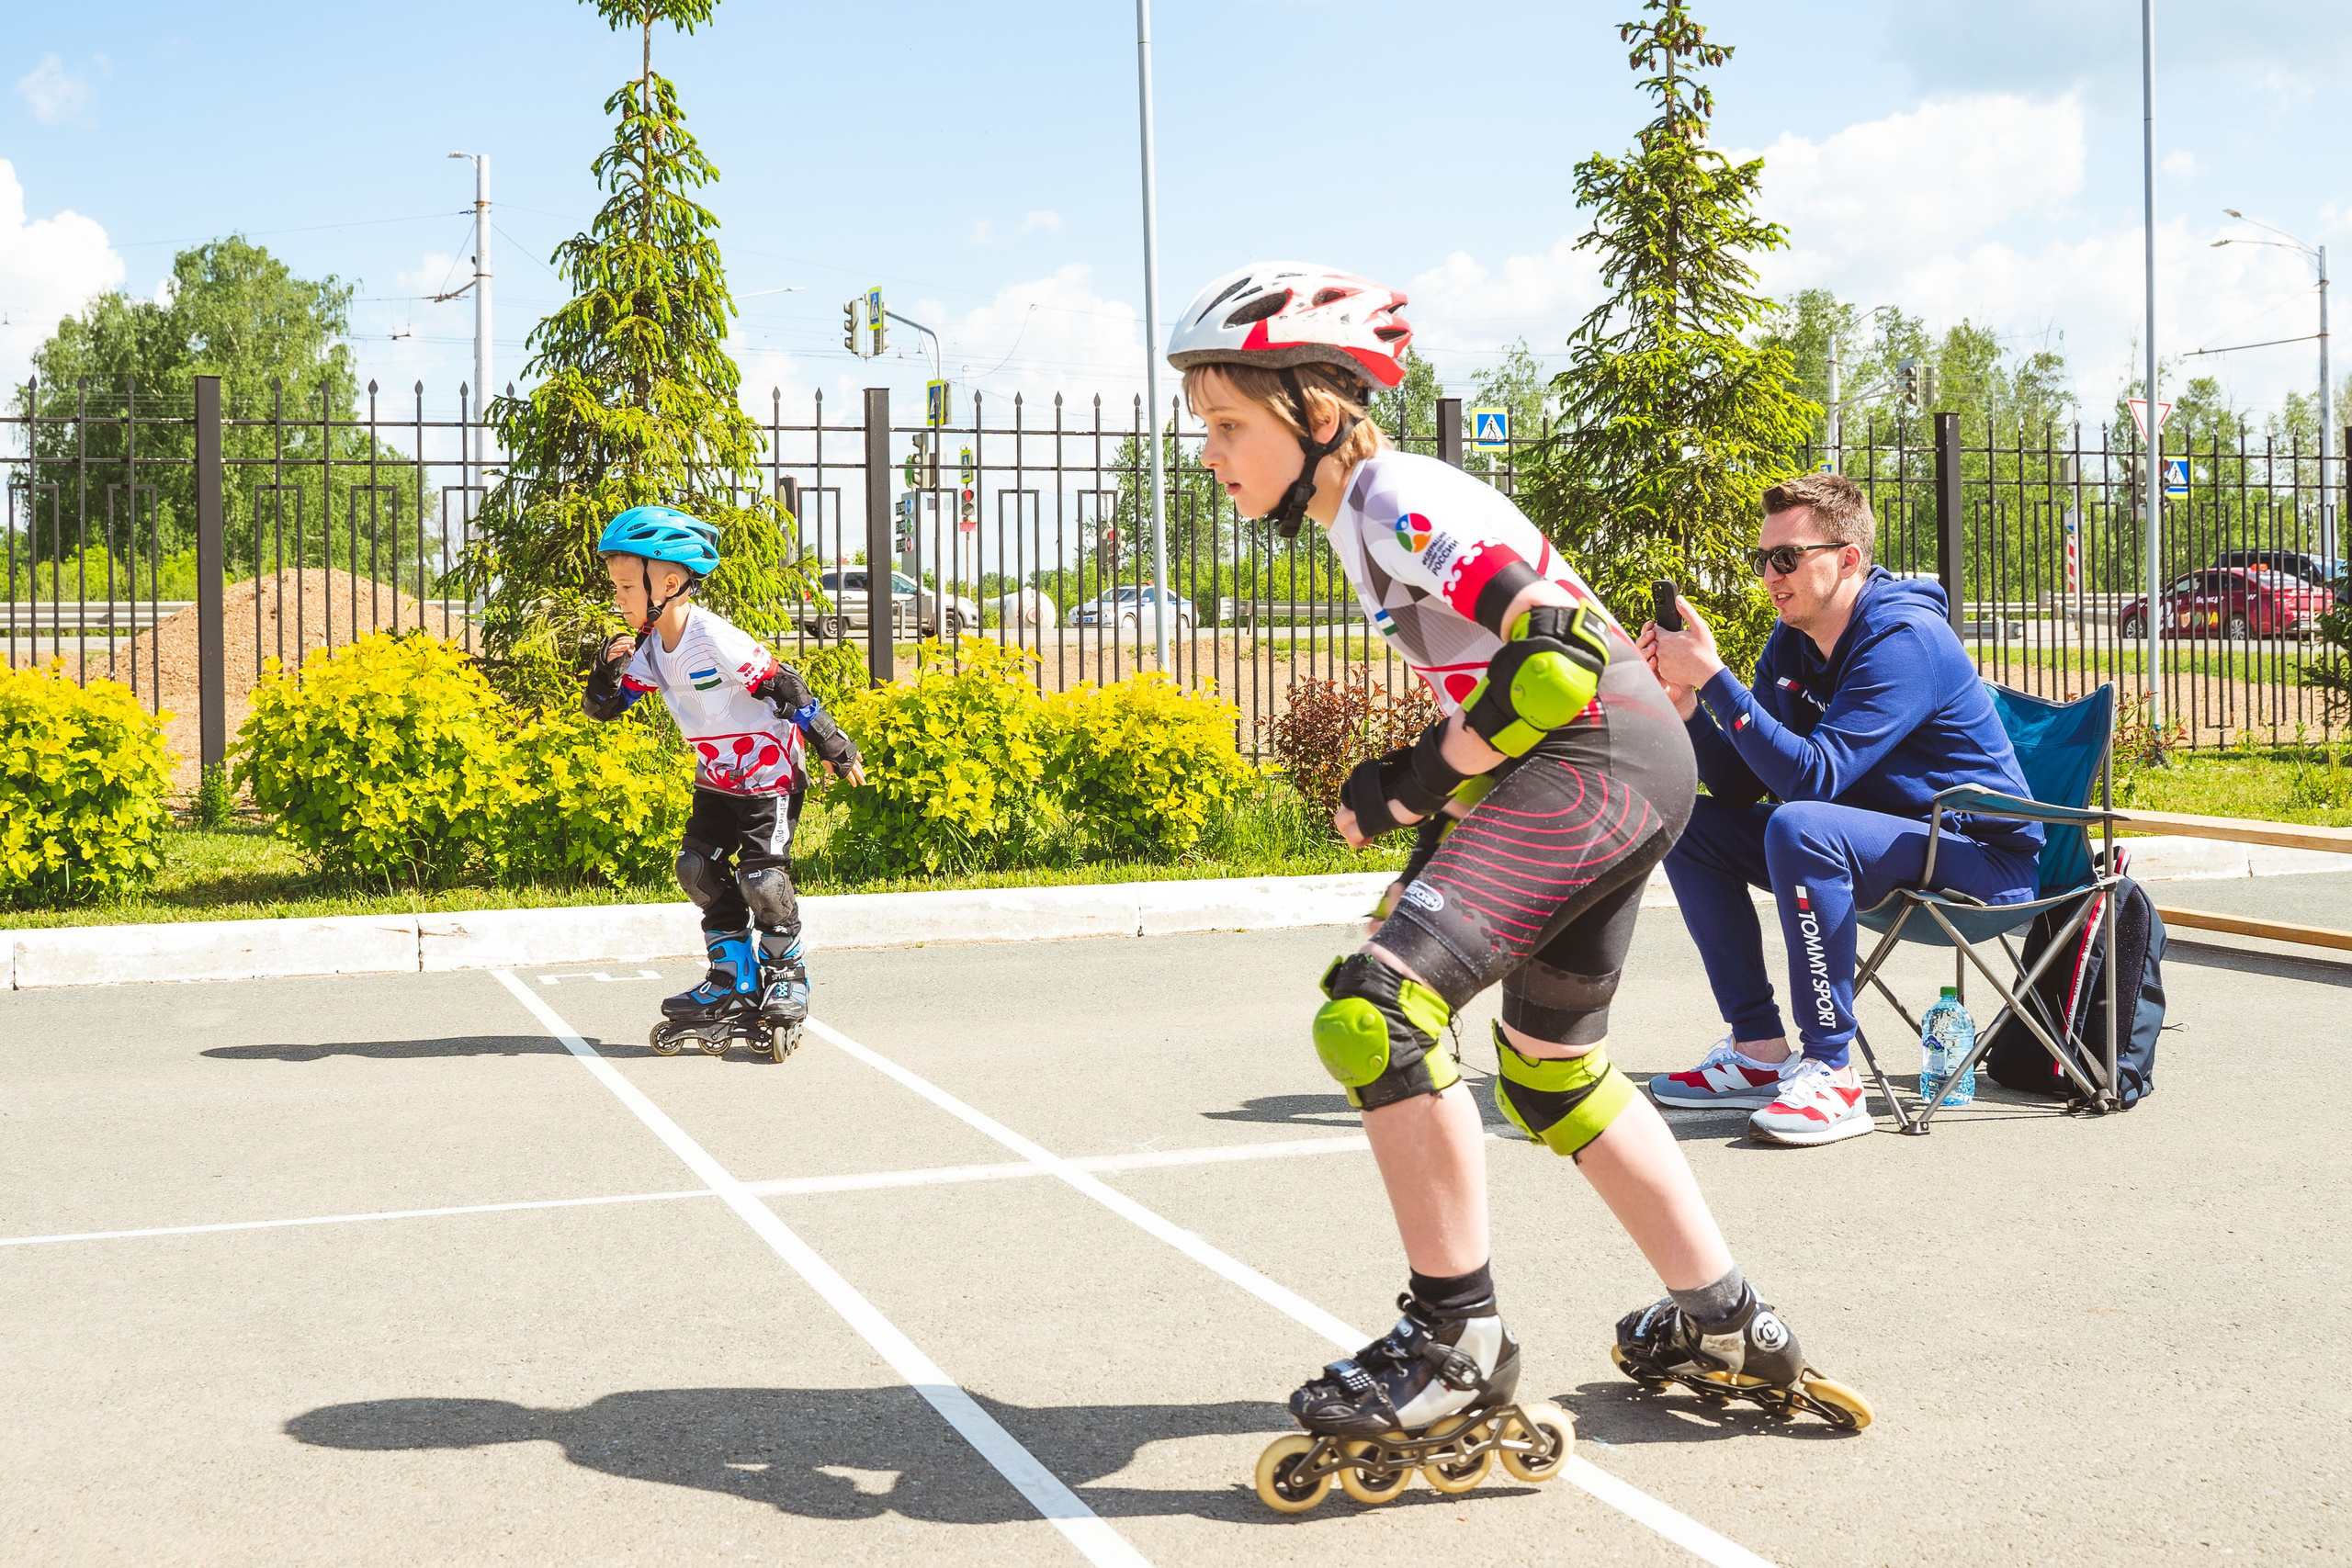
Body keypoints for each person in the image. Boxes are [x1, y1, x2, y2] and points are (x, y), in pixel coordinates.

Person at [1170, 264, 1870, 1510]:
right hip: (1605, 762)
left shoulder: (1393, 493)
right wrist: (1432, 812)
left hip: (1591, 751)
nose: (1212, 454)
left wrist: (1402, 785)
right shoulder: (1361, 507)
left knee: (1374, 1010)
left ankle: (1456, 1343)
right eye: (1203, 428)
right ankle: (1726, 1316)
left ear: (1318, 407)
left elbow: (1549, 659)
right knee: (1550, 1069)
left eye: (1229, 424)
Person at [1639, 472, 2043, 1145]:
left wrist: (1713, 676)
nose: (1771, 574)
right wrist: (1688, 708)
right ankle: (1760, 1050)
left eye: (1788, 557)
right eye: (1764, 558)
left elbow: (1813, 779)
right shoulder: (1792, 642)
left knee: (1804, 824)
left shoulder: (1906, 637)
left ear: (1848, 558)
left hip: (1979, 856)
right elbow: (1743, 786)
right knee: (1689, 824)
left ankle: (1832, 1070)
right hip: (1874, 838)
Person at [581, 505, 865, 1052]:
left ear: (667, 581)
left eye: (624, 586)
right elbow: (608, 708)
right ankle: (731, 976)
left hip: (768, 775)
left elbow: (785, 685)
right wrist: (605, 671)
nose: (618, 598)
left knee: (762, 879)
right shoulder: (649, 649)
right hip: (715, 777)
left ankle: (787, 974)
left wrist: (833, 744)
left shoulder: (712, 637)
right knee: (696, 870)